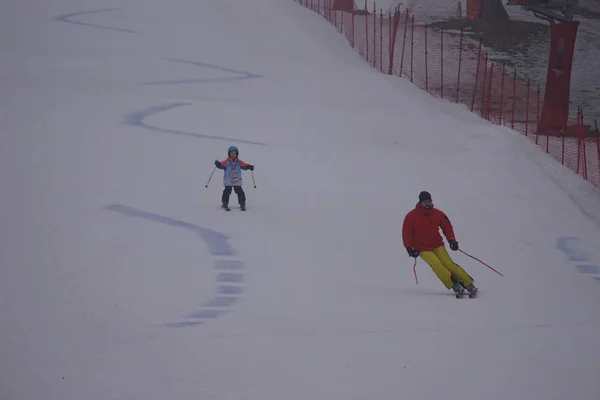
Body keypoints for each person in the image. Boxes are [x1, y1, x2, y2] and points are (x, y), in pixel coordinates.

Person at [402, 191, 477, 295]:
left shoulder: (438, 214)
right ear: (420, 203)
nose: (427, 203)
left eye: (429, 201)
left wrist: (452, 240)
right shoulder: (411, 216)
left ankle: (468, 283)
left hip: (437, 245)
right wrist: (409, 248)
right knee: (437, 265)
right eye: (424, 201)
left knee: (448, 263)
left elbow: (447, 226)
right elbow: (406, 233)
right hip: (422, 248)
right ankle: (454, 285)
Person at [214, 146, 254, 210]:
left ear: (237, 154)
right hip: (228, 180)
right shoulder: (226, 162)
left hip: (237, 180)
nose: (233, 155)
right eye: (231, 153)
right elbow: (221, 165)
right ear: (229, 154)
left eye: (234, 153)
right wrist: (218, 164)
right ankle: (225, 203)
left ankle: (242, 203)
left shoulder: (239, 162)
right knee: (227, 191)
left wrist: (249, 166)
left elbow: (244, 166)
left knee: (240, 191)